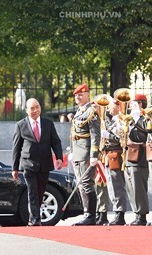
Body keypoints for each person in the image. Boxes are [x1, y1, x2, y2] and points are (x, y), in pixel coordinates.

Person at [12, 98, 63, 226]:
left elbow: (55, 142)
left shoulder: (48, 123)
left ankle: (33, 216)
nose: (35, 110)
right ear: (26, 110)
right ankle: (35, 219)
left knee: (40, 191)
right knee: (32, 191)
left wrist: (59, 158)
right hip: (28, 163)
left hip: (45, 163)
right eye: (32, 108)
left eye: (37, 107)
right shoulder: (21, 125)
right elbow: (16, 147)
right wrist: (15, 168)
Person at [70, 84, 101, 226]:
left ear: (88, 95)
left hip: (86, 154)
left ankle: (91, 215)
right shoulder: (78, 112)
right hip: (77, 153)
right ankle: (86, 212)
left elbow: (95, 135)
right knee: (81, 184)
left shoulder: (91, 112)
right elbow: (73, 135)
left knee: (87, 184)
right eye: (76, 95)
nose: (78, 97)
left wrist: (94, 154)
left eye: (81, 94)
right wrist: (71, 152)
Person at [101, 99, 129, 225]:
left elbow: (120, 138)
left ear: (118, 107)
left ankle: (120, 213)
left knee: (117, 184)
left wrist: (108, 136)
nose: (108, 108)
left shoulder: (121, 120)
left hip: (116, 154)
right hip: (109, 154)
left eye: (111, 106)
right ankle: (117, 211)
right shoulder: (112, 120)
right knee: (112, 184)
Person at [124, 96, 149, 226]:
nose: (130, 106)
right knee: (131, 187)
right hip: (129, 155)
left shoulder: (145, 117)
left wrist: (137, 120)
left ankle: (142, 215)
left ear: (140, 104)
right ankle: (136, 213)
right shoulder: (130, 119)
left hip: (140, 155)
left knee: (139, 187)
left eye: (133, 104)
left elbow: (145, 132)